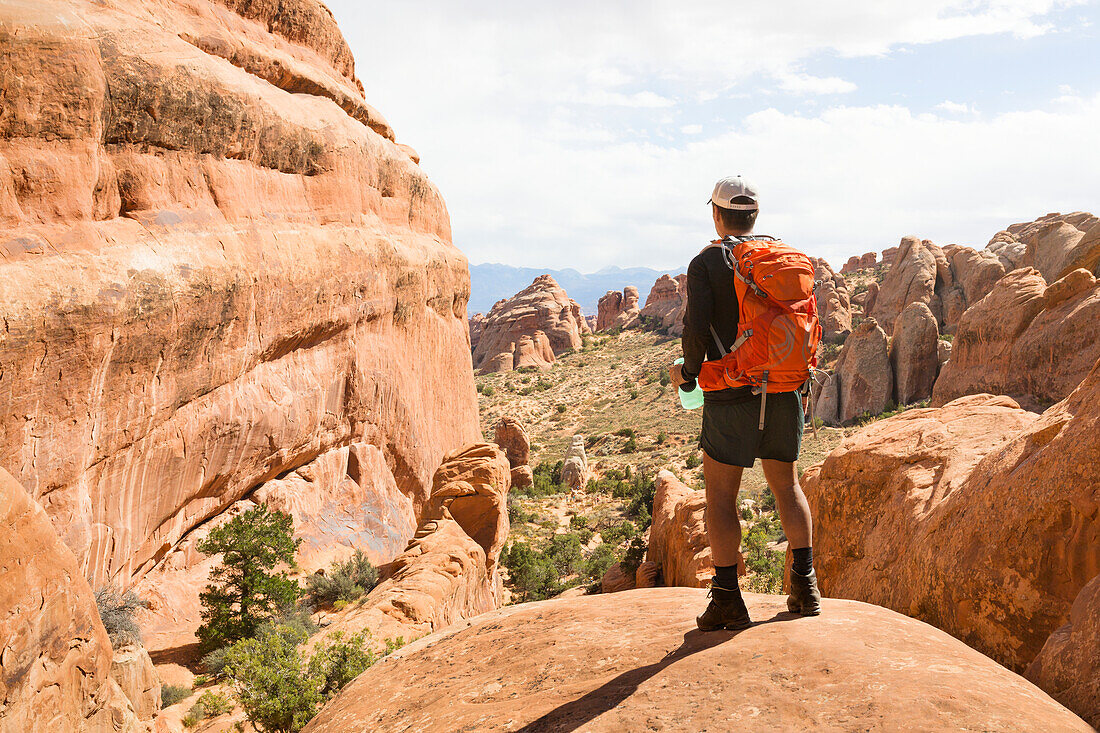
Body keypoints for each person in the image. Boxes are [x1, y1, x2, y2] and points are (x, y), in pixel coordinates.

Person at [669, 175, 821, 631]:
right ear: (754, 217)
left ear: (716, 215)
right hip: (783, 387)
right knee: (787, 488)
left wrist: (688, 373)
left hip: (731, 391)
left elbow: (696, 331)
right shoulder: (780, 258)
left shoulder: (709, 262)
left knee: (720, 496)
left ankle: (728, 600)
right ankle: (805, 585)